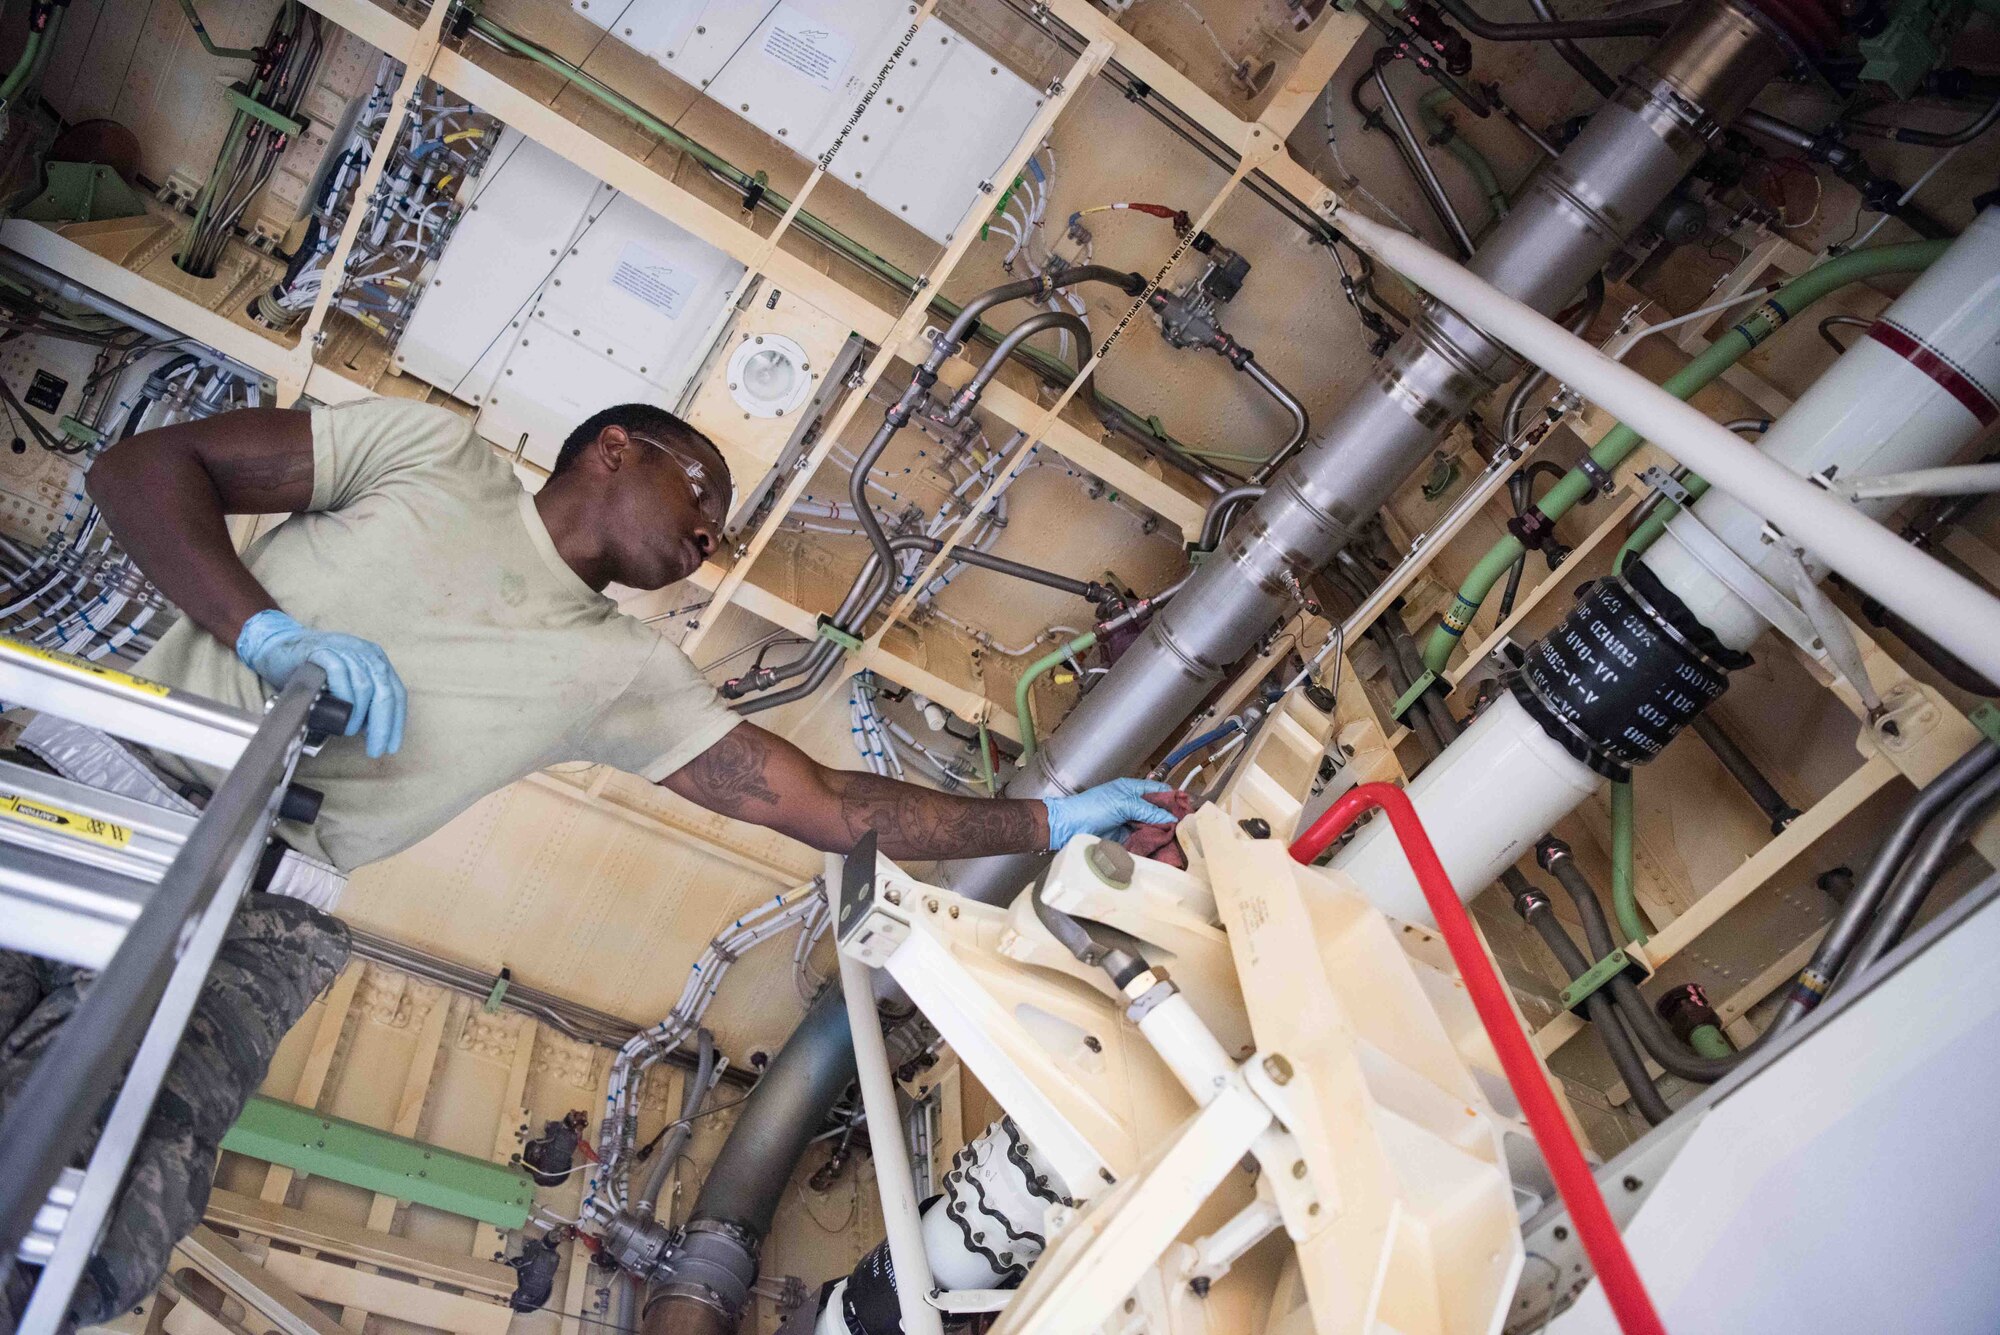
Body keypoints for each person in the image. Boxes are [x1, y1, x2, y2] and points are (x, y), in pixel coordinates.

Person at [0, 397, 1172, 1327]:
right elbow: (143, 470)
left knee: (98, 1217)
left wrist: (1043, 824)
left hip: (256, 906)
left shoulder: (623, 675)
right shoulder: (429, 457)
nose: (712, 539)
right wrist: (261, 626)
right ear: (613, 449)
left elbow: (818, 801)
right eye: (704, 494)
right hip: (87, 791)